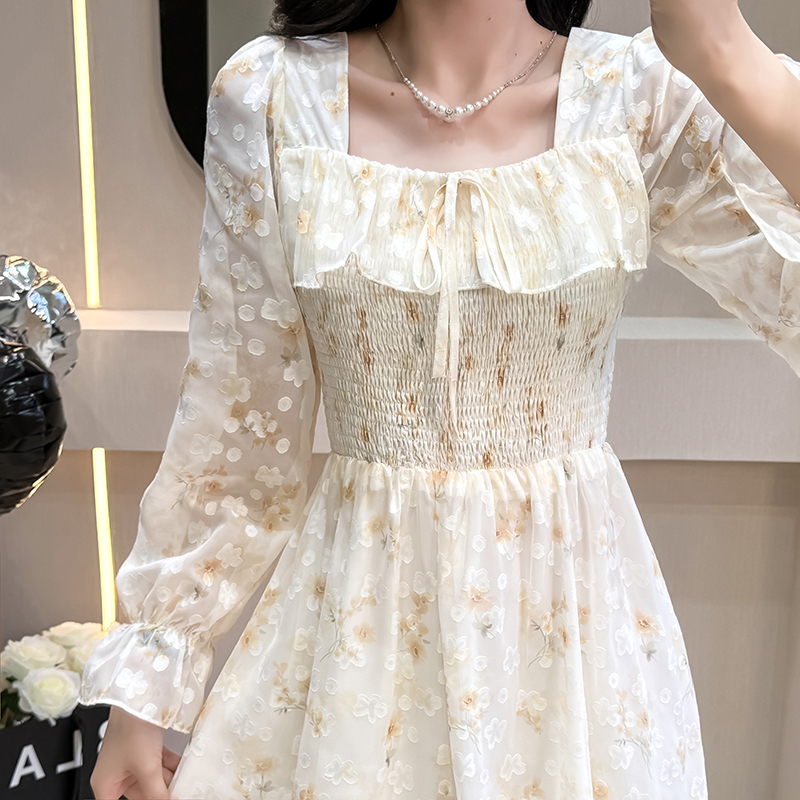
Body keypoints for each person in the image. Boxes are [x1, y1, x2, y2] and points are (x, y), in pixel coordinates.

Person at [80, 0, 800, 798]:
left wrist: (724, 51)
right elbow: (237, 421)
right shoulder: (273, 96)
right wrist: (143, 689)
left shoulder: (635, 97)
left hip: (574, 647)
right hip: (358, 636)